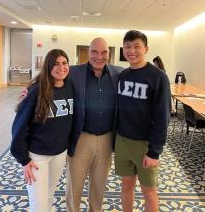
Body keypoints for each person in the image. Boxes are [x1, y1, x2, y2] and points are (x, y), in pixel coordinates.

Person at [10, 49, 74, 212]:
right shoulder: (36, 91)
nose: (61, 67)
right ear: (48, 67)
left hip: (59, 153)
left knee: (49, 195)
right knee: (38, 204)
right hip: (37, 157)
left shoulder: (70, 87)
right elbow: (19, 126)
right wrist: (23, 159)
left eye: (64, 63)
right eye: (56, 64)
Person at [115, 30, 171, 212]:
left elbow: (163, 117)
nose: (132, 51)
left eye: (136, 46)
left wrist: (154, 152)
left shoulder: (158, 77)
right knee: (126, 186)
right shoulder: (122, 75)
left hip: (145, 145)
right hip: (123, 141)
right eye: (128, 46)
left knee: (149, 192)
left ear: (146, 49)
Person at [66, 37, 123, 212]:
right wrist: (28, 91)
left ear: (110, 54)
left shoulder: (119, 73)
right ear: (88, 53)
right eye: (94, 52)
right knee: (74, 186)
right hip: (81, 137)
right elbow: (48, 77)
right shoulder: (74, 72)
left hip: (107, 139)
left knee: (99, 186)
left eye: (104, 52)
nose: (99, 56)